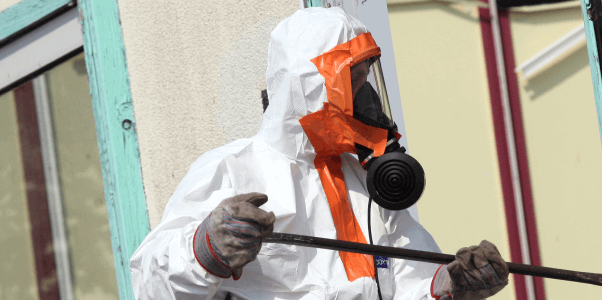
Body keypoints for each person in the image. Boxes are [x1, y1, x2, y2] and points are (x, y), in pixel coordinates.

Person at [130, 7, 509, 300]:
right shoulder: (232, 170)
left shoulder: (365, 181)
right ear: (309, 85)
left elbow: (409, 283)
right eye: (354, 78)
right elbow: (149, 285)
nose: (367, 95)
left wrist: (448, 286)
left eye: (367, 75)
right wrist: (204, 250)